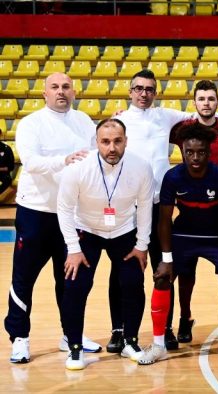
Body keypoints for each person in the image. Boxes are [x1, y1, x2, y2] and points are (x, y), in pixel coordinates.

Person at [5, 72, 100, 364]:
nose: (61, 91)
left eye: (66, 87)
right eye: (55, 87)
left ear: (74, 92)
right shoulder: (31, 123)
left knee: (70, 279)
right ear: (44, 93)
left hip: (71, 215)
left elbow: (95, 160)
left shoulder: (84, 122)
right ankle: (19, 338)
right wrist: (65, 160)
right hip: (36, 212)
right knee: (24, 278)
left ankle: (70, 335)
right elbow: (31, 162)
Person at [138, 123, 218, 365]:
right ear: (183, 152)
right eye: (189, 152)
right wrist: (166, 259)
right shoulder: (173, 177)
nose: (195, 157)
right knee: (162, 278)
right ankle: (158, 345)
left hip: (217, 236)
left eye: (200, 152)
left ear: (209, 152)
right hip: (184, 235)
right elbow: (164, 220)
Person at [56, 118, 154, 369]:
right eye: (106, 142)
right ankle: (75, 348)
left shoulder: (141, 167)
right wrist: (73, 248)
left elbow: (145, 207)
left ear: (126, 141)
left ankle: (130, 342)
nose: (112, 147)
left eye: (117, 141)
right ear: (96, 142)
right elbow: (64, 209)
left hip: (123, 230)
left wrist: (142, 245)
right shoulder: (78, 168)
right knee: (75, 286)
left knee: (133, 283)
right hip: (87, 230)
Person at [113, 69, 196, 352]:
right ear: (130, 91)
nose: (144, 93)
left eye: (149, 89)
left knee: (164, 268)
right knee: (123, 270)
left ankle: (166, 328)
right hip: (128, 206)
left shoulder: (165, 116)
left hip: (160, 206)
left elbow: (201, 114)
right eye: (138, 88)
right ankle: (119, 330)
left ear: (155, 93)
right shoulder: (119, 121)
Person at [170, 80, 218, 345]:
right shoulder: (182, 128)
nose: (206, 103)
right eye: (201, 99)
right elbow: (150, 128)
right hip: (189, 209)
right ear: (194, 103)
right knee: (185, 274)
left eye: (211, 99)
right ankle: (184, 318)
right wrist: (125, 116)